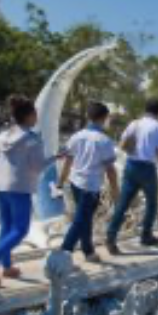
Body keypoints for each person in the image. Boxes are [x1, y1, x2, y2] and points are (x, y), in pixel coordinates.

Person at [0, 95, 46, 288]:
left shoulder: (2, 136)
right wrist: (56, 157)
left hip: (0, 187)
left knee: (6, 228)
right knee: (20, 229)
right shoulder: (33, 139)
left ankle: (7, 267)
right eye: (35, 114)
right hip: (20, 188)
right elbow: (38, 166)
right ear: (30, 115)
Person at [56, 101, 120, 262]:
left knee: (84, 219)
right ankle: (62, 254)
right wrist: (116, 192)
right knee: (80, 221)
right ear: (104, 118)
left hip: (75, 183)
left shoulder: (76, 136)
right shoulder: (104, 141)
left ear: (88, 116)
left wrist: (60, 181)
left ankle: (88, 251)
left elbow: (68, 161)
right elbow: (110, 171)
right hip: (90, 187)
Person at [106, 98, 158, 254]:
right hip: (147, 168)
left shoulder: (134, 123)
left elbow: (121, 145)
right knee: (152, 203)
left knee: (123, 203)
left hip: (131, 165)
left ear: (146, 109)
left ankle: (111, 237)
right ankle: (146, 235)